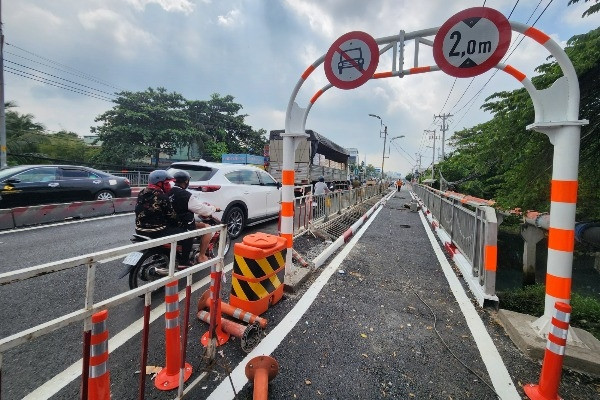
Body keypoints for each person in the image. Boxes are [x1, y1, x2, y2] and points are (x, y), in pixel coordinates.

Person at [134, 170, 193, 268]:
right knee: (188, 233)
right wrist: (181, 223)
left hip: (139, 230)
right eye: (167, 183)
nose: (169, 186)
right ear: (160, 183)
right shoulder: (162, 196)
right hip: (156, 231)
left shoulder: (142, 192)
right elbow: (172, 216)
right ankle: (184, 261)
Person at [169, 170, 221, 263]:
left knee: (198, 224)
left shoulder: (169, 191)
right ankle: (201, 256)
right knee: (208, 228)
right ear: (186, 181)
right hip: (183, 224)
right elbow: (203, 210)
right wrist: (213, 208)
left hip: (171, 223)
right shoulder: (186, 195)